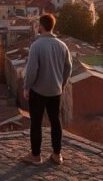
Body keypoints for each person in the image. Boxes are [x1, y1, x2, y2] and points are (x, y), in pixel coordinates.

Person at [21, 12, 73, 166]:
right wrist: (61, 84)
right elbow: (68, 68)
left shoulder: (36, 45)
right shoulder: (62, 46)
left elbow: (32, 70)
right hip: (55, 91)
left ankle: (36, 156)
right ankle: (57, 154)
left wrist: (26, 87)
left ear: (41, 26)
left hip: (38, 91)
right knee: (55, 122)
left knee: (36, 123)